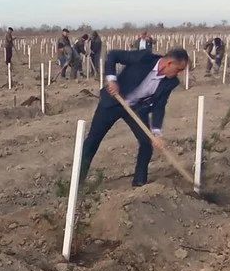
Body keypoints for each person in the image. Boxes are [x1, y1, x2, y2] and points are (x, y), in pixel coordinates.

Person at [80, 48, 188, 187]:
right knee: (93, 140)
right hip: (114, 102)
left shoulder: (171, 82)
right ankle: (78, 180)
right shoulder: (144, 58)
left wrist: (157, 133)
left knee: (146, 142)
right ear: (169, 63)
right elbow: (113, 55)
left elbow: (159, 106)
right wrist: (112, 80)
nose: (179, 73)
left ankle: (139, 182)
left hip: (136, 109)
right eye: (178, 69)